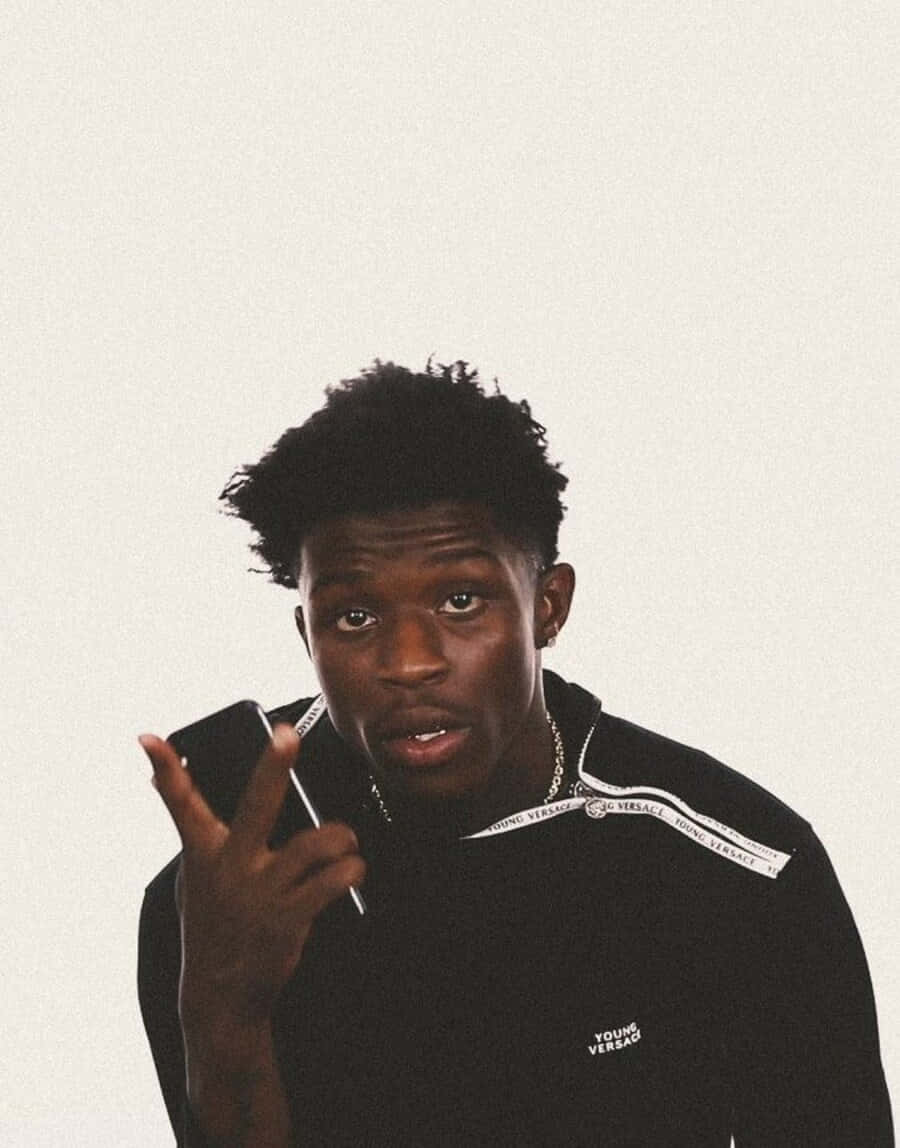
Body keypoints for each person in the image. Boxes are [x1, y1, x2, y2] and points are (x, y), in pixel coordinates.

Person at [138, 359, 893, 1147]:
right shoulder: (230, 900)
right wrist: (224, 1017)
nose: (409, 663)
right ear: (308, 635)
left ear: (548, 607)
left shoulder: (736, 875)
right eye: (354, 617)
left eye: (461, 600)